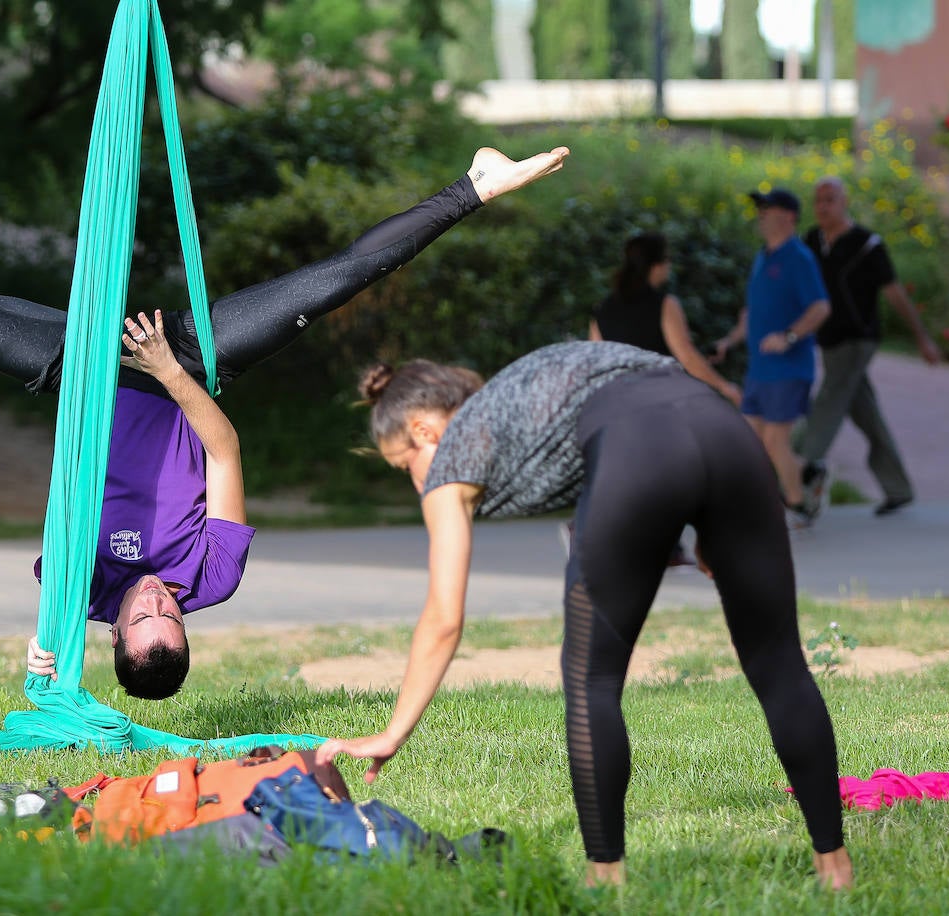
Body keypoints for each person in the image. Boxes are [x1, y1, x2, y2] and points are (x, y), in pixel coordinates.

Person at [0, 145, 571, 700]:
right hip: (186, 365)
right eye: (169, 619)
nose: (155, 600)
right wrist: (167, 368)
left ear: (119, 634)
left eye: (142, 618)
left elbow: (55, 588)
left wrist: (47, 645)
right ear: (187, 630)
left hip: (72, 369)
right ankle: (474, 186)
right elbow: (223, 445)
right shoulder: (215, 575)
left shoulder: (85, 591)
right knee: (334, 280)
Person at [314, 341, 853, 890]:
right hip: (724, 430)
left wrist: (392, 732)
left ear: (424, 430)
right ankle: (836, 869)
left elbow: (443, 617)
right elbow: (671, 408)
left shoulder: (454, 450)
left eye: (405, 465)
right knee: (778, 660)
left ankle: (605, 881)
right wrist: (714, 526)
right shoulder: (523, 393)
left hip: (635, 447)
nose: (416, 481)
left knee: (592, 678)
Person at [797, 175, 940, 517]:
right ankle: (898, 488)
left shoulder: (867, 245)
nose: (823, 206)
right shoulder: (812, 242)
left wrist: (921, 338)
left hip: (858, 340)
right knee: (865, 412)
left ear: (844, 202)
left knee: (829, 401)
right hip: (828, 340)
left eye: (830, 199)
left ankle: (802, 474)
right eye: (818, 200)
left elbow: (895, 294)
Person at [712, 189, 831, 528]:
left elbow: (821, 307)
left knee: (775, 440)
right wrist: (729, 341)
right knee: (752, 443)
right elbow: (752, 313)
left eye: (768, 208)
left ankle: (798, 506)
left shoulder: (799, 258)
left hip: (790, 367)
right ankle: (804, 477)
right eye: (759, 209)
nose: (760, 214)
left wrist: (789, 336)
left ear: (790, 217)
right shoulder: (763, 257)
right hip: (760, 370)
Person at [590, 232, 741, 406]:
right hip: (658, 402)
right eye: (667, 258)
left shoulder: (603, 308)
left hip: (618, 404)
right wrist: (724, 386)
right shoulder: (665, 304)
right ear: (656, 265)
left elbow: (597, 360)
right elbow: (686, 356)